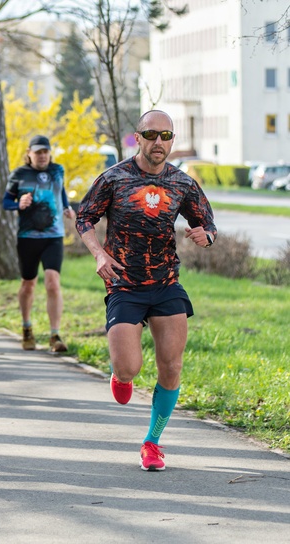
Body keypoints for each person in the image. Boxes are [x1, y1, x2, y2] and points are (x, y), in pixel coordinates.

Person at [76, 110, 217, 471]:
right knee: (129, 370)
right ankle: (118, 373)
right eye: (151, 134)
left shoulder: (182, 183)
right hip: (124, 281)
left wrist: (206, 236)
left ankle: (152, 443)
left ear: (173, 140)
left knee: (171, 365)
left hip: (166, 281)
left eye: (166, 135)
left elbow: (207, 223)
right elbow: (85, 217)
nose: (159, 142)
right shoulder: (114, 178)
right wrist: (98, 253)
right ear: (137, 137)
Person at [2, 135, 75, 353]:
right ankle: (27, 328)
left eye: (46, 152)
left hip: (54, 236)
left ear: (50, 153)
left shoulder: (57, 170)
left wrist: (67, 208)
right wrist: (18, 203)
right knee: (28, 284)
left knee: (53, 282)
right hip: (28, 237)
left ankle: (55, 335)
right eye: (38, 152)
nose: (42, 156)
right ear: (29, 153)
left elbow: (60, 192)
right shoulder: (19, 174)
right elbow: (6, 201)